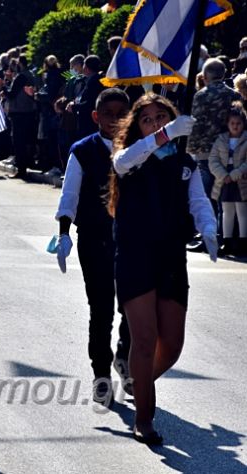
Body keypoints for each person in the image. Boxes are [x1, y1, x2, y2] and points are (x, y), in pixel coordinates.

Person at [109, 94, 217, 445]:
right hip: (135, 254)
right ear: (137, 126)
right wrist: (164, 134)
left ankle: (139, 383)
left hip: (171, 256)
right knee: (142, 340)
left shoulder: (183, 163)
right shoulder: (133, 156)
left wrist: (210, 228)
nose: (156, 123)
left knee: (170, 345)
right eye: (148, 119)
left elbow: (198, 199)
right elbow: (122, 163)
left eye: (163, 117)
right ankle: (144, 418)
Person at [52, 88, 133, 405]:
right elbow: (69, 193)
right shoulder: (83, 151)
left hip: (131, 240)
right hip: (94, 239)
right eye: (108, 114)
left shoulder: (139, 148)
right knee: (101, 310)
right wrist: (63, 232)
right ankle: (101, 373)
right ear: (96, 117)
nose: (115, 120)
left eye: (121, 114)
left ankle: (125, 359)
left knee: (131, 307)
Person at [187, 58, 241, 250]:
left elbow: (196, 124)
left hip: (205, 152)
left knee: (207, 196)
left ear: (206, 75)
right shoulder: (234, 95)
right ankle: (227, 237)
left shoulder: (201, 95)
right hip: (230, 151)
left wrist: (190, 149)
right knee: (226, 196)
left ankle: (209, 237)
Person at [208, 103, 247, 256]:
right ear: (227, 124)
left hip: (241, 180)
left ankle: (243, 242)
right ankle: (227, 242)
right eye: (232, 123)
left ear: (243, 124)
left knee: (242, 211)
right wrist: (223, 175)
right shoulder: (220, 140)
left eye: (238, 123)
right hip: (224, 180)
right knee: (226, 211)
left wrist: (236, 174)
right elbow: (213, 160)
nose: (235, 126)